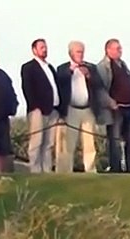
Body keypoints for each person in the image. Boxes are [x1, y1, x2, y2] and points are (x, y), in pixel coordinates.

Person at [54, 41, 103, 173]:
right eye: (78, 52)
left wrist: (88, 75)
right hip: (71, 110)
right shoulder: (62, 68)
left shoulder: (91, 67)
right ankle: (64, 171)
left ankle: (91, 170)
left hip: (88, 110)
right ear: (70, 53)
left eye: (82, 51)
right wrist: (71, 71)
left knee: (90, 144)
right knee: (68, 144)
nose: (81, 54)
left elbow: (99, 84)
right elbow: (60, 81)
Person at [97, 39, 130, 173]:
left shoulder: (123, 65)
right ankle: (116, 169)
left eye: (120, 48)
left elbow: (127, 83)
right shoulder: (103, 67)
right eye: (117, 48)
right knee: (115, 140)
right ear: (108, 50)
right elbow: (100, 88)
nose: (120, 51)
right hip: (116, 109)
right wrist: (110, 102)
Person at [19, 38, 59, 173]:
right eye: (42, 47)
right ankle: (35, 169)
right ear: (34, 50)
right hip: (38, 110)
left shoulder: (50, 67)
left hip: (53, 110)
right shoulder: (28, 67)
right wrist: (34, 105)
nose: (45, 49)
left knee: (49, 143)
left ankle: (47, 170)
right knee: (37, 141)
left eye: (45, 47)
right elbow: (27, 88)